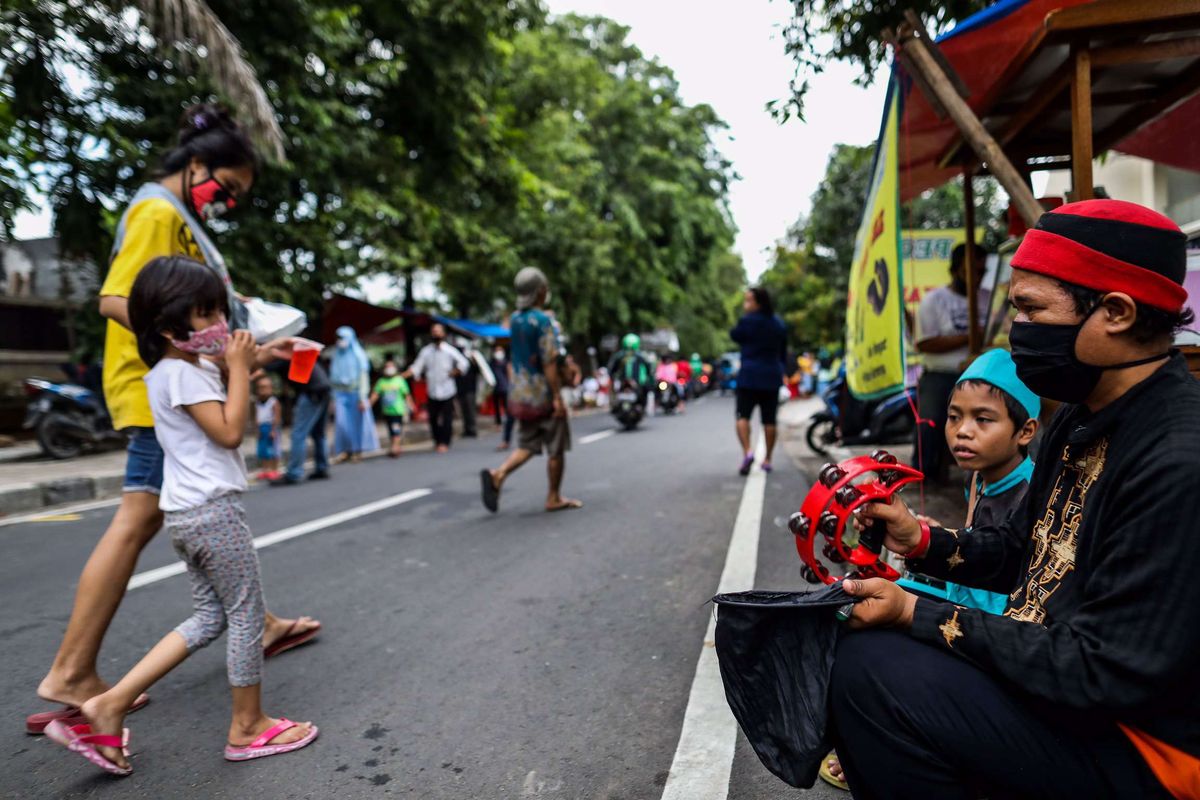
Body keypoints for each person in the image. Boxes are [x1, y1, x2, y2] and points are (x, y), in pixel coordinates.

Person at [833, 200, 1200, 800]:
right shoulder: (1080, 419)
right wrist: (919, 540)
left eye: (1030, 309)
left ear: (1115, 312)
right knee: (846, 624)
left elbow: (1105, 672)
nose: (1016, 332)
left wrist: (912, 613)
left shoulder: (1177, 459)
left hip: (1148, 748)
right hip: (1065, 682)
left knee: (870, 673)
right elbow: (1021, 550)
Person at [27, 104, 317, 736]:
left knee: (157, 518)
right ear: (195, 165)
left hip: (175, 389)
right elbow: (116, 298)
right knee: (140, 518)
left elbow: (192, 312)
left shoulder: (181, 217)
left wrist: (244, 349)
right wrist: (202, 360)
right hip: (164, 398)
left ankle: (255, 622)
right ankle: (75, 672)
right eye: (227, 187)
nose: (229, 201)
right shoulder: (158, 211)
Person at [45, 256, 318, 775]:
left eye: (220, 310)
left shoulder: (171, 370)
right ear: (171, 328)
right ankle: (248, 725)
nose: (220, 324)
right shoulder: (191, 375)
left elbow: (223, 372)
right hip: (215, 515)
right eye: (206, 314)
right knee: (243, 616)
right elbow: (230, 431)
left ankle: (110, 702)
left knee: (208, 618)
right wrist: (241, 368)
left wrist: (262, 355)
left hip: (185, 516)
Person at [824, 349, 1040, 790]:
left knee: (869, 607)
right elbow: (979, 547)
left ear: (1026, 432)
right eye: (954, 416)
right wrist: (938, 538)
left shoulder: (1029, 493)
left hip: (1011, 622)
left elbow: (1016, 588)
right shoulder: (983, 475)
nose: (962, 431)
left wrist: (918, 586)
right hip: (984, 600)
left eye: (983, 420)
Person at [480, 267, 581, 514]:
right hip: (543, 393)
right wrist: (557, 396)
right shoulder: (543, 320)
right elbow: (548, 361)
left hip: (521, 395)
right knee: (555, 448)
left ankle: (498, 474)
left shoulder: (515, 319)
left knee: (526, 445)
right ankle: (553, 497)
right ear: (540, 291)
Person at [912, 242, 989, 482]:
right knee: (931, 424)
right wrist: (969, 337)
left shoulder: (987, 299)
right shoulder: (934, 300)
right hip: (940, 375)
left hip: (979, 375)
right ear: (956, 269)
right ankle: (923, 476)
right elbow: (925, 343)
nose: (977, 277)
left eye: (982, 271)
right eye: (971, 271)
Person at [731, 286, 787, 475]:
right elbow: (783, 352)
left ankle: (748, 451)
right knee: (769, 420)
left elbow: (734, 335)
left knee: (742, 416)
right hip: (771, 376)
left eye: (748, 300)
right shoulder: (778, 324)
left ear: (758, 302)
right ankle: (768, 459)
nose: (745, 304)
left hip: (748, 376)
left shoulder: (746, 322)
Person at [404, 323, 469, 453]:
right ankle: (437, 441)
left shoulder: (450, 350)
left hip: (447, 389)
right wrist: (403, 375)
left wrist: (455, 372)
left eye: (438, 331)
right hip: (432, 390)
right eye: (434, 331)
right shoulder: (426, 351)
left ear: (443, 334)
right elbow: (416, 367)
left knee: (447, 418)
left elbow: (464, 363)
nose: (436, 333)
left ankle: (445, 442)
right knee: (433, 418)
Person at [267, 355, 331, 486]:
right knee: (319, 434)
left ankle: (294, 472)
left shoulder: (284, 358)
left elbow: (266, 367)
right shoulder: (300, 354)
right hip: (324, 390)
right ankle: (322, 467)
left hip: (311, 393)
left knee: (298, 434)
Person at [330, 326, 377, 463]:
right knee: (341, 424)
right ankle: (345, 450)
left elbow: (363, 377)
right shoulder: (336, 354)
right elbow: (333, 378)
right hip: (340, 394)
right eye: (338, 338)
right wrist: (333, 398)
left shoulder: (359, 354)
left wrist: (363, 397)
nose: (340, 341)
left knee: (357, 424)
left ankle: (357, 450)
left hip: (356, 394)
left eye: (342, 338)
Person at [370, 353, 410, 458]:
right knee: (391, 430)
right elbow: (375, 394)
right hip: (387, 411)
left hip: (398, 411)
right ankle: (395, 446)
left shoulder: (399, 380)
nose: (389, 369)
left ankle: (395, 448)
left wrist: (411, 406)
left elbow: (406, 395)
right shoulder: (381, 382)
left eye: (391, 366)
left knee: (395, 429)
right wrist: (368, 405)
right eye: (387, 367)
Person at [253, 375, 282, 480]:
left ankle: (275, 469)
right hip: (262, 428)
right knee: (263, 450)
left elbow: (277, 417)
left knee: (273, 449)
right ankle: (265, 469)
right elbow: (257, 417)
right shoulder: (257, 402)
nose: (262, 390)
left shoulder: (273, 402)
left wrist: (273, 430)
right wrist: (257, 430)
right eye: (260, 387)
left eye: (265, 387)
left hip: (271, 428)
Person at [455, 339, 481, 438]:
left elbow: (478, 372)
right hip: (461, 389)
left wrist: (474, 361)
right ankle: (467, 429)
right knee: (463, 410)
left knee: (470, 409)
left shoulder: (471, 360)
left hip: (470, 389)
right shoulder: (457, 361)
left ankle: (472, 429)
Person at [490, 345, 511, 450]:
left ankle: (507, 425)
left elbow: (509, 373)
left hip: (505, 388)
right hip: (495, 388)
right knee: (497, 408)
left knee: (508, 409)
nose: (498, 352)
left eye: (500, 350)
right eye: (496, 350)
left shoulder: (506, 362)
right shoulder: (492, 362)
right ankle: (498, 424)